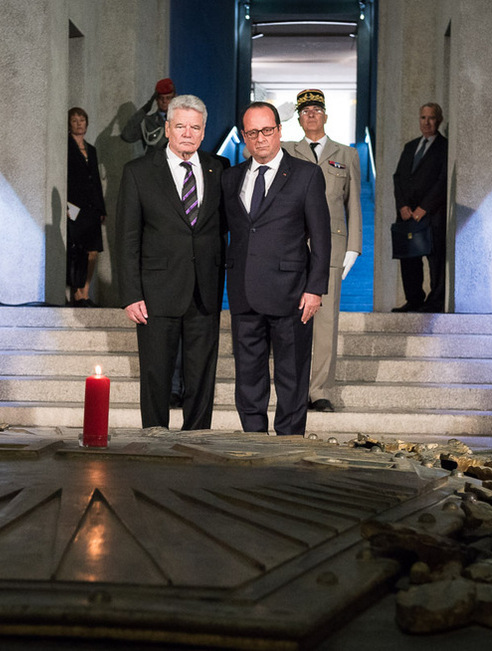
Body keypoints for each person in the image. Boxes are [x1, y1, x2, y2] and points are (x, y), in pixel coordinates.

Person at [117, 94, 225, 430]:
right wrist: (131, 293)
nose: (188, 134)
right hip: (155, 293)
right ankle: (154, 441)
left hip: (204, 291)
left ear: (204, 132)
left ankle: (197, 443)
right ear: (167, 128)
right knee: (156, 375)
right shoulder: (138, 172)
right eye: (180, 126)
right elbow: (126, 238)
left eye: (195, 127)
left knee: (201, 378)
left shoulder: (218, 168)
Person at [222, 102, 330, 436]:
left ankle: (288, 446)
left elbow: (322, 238)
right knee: (249, 377)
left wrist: (315, 289)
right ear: (244, 137)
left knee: (292, 376)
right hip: (244, 294)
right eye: (252, 133)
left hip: (292, 295)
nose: (260, 139)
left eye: (267, 130)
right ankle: (254, 441)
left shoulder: (306, 174)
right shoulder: (230, 178)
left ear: (280, 131)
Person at [282, 89, 362, 413]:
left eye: (316, 109)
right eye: (304, 111)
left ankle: (320, 390)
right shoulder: (286, 151)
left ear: (326, 115)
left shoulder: (346, 154)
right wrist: (279, 114)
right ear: (298, 117)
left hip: (331, 246)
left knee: (326, 323)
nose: (311, 115)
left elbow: (353, 202)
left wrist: (354, 246)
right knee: (293, 322)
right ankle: (296, 388)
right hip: (292, 245)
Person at [391, 102, 448, 313]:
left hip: (431, 214)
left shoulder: (444, 147)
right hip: (407, 215)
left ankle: (435, 301)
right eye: (423, 118)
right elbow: (398, 178)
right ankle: (414, 299)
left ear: (439, 120)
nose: (427, 122)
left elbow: (442, 181)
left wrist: (424, 208)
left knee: (435, 259)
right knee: (409, 259)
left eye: (431, 118)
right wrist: (403, 206)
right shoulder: (410, 147)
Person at [66, 107, 107, 307]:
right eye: (75, 120)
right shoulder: (66, 147)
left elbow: (96, 180)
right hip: (74, 205)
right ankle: (76, 292)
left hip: (92, 206)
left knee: (93, 251)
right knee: (78, 250)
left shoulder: (91, 149)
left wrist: (102, 208)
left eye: (82, 120)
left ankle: (85, 292)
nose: (79, 123)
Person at [121, 77, 176, 155]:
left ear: (174, 98)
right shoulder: (148, 122)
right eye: (161, 98)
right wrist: (146, 108)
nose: (164, 101)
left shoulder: (183, 120)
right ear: (156, 99)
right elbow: (127, 135)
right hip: (154, 165)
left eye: (168, 98)